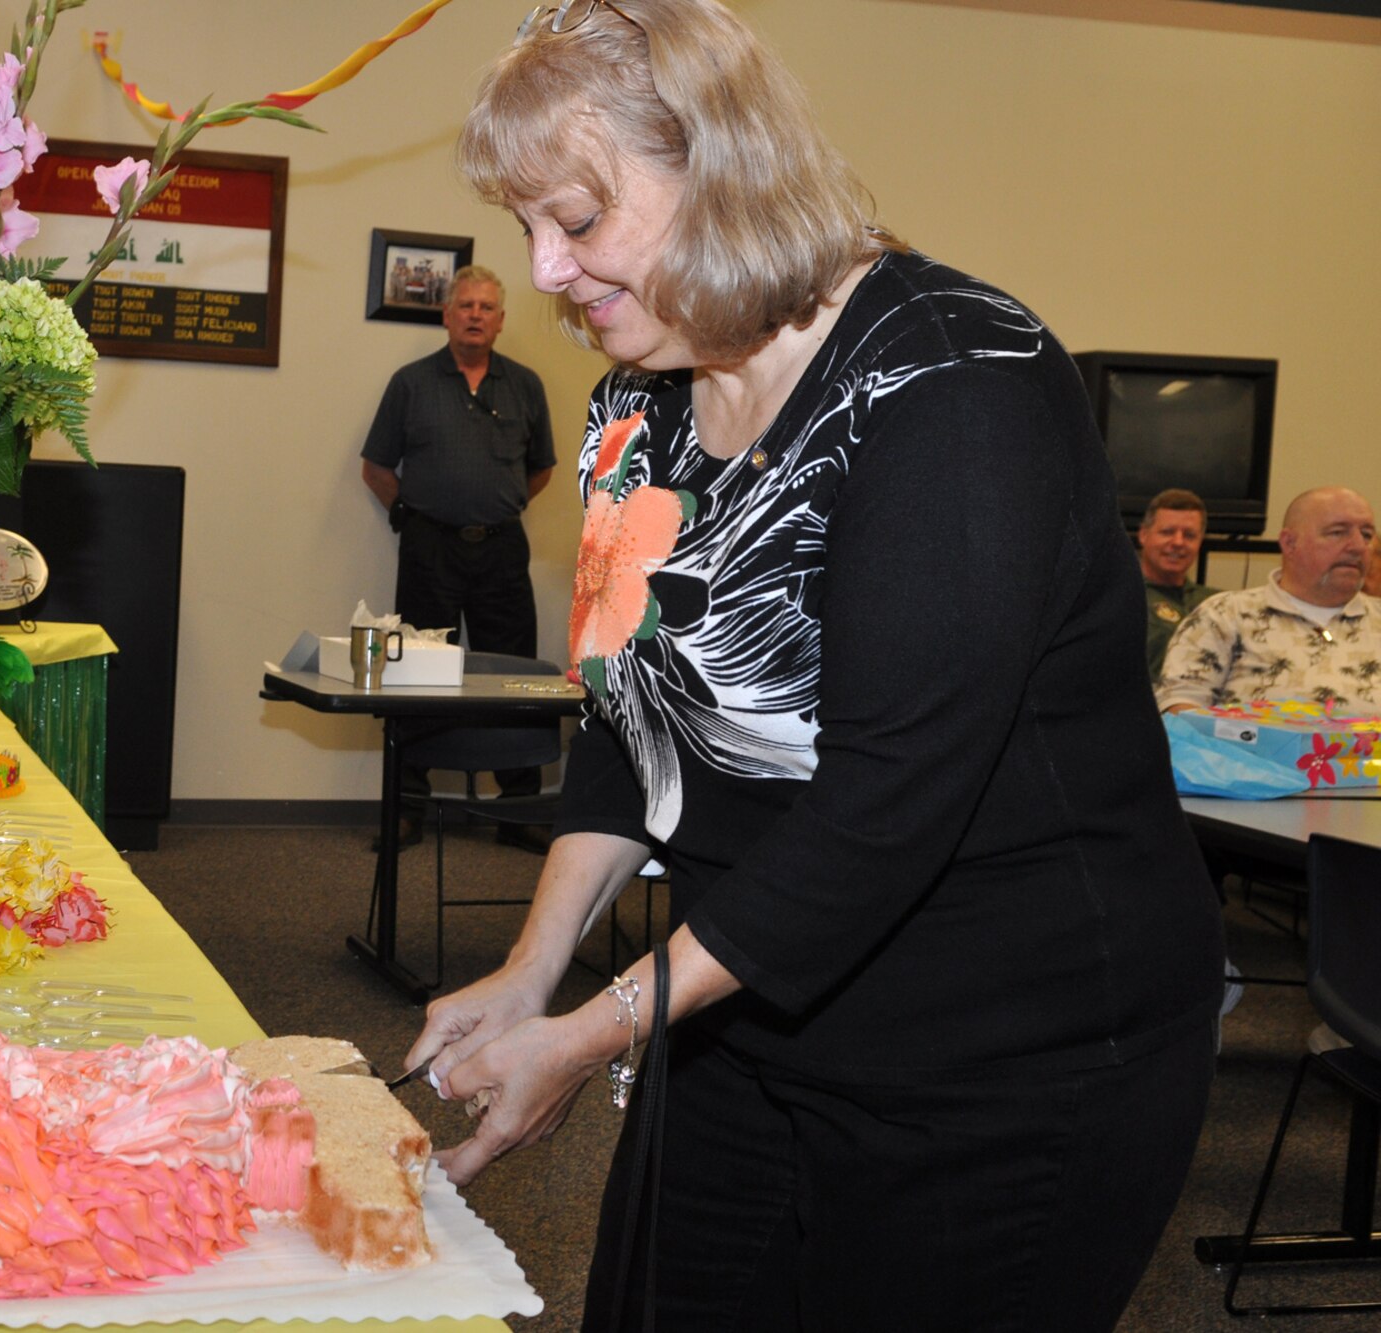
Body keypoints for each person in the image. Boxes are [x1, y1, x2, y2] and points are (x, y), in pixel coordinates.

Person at [404, 4, 1223, 1329]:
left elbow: (883, 813)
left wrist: (593, 1031)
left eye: (577, 220)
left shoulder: (956, 387)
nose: (546, 271)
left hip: (1002, 1053)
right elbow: (632, 716)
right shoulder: (641, 393)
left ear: (722, 170)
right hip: (750, 1003)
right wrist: (532, 969)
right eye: (528, 229)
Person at [360, 265, 557, 846]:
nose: (475, 315)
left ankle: (519, 809)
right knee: (416, 677)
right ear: (446, 317)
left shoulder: (526, 386)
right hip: (430, 549)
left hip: (500, 550)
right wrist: (414, 517)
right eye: (465, 305)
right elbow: (376, 468)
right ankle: (406, 810)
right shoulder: (411, 383)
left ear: (500, 321)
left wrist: (501, 504)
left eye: (486, 307)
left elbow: (541, 468)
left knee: (512, 674)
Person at [1157, 485, 1380, 713]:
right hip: (1237, 749)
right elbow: (1179, 710)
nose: (1358, 547)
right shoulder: (1224, 615)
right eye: (1337, 532)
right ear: (1289, 543)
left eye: (1366, 535)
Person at [1137, 487, 1214, 683]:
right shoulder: (1118, 597)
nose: (1178, 542)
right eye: (1167, 532)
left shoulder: (1217, 604)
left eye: (1189, 535)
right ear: (1144, 535)